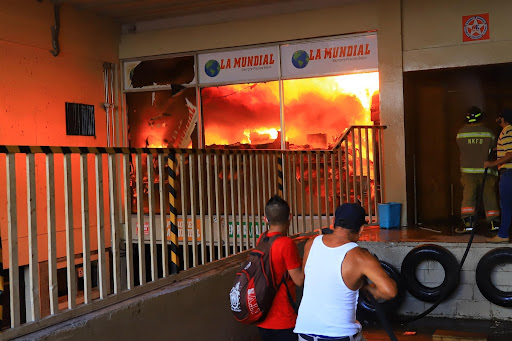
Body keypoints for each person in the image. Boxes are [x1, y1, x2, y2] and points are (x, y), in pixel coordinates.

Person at [294, 203, 397, 341]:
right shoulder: (361, 257)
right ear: (361, 229)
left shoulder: (311, 244)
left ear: (333, 222)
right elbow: (389, 291)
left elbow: (310, 278)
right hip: (340, 335)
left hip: (305, 333)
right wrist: (370, 290)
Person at [256, 195, 304, 341]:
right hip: (283, 319)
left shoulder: (262, 239)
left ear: (265, 219)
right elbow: (299, 280)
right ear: (290, 217)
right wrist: (308, 251)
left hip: (263, 317)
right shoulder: (286, 244)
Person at [455, 106, 500, 234]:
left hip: (468, 172)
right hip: (486, 171)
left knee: (468, 197)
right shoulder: (488, 133)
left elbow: (461, 148)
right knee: (489, 196)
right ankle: (493, 223)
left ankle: (468, 223)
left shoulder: (461, 133)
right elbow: (494, 148)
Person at [484, 109, 512, 243]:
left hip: (509, 174)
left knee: (506, 205)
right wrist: (498, 149)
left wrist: (492, 163)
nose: (497, 121)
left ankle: (502, 235)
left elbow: (510, 154)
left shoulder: (508, 131)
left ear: (503, 119)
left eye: (498, 118)